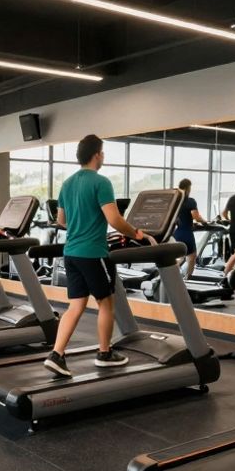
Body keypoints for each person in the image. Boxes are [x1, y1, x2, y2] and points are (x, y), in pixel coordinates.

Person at [43, 134, 148, 377]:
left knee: (76, 305)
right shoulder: (101, 182)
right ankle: (104, 353)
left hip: (71, 253)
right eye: (103, 152)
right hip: (93, 253)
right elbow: (114, 219)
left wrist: (81, 225)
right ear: (97, 154)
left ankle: (56, 354)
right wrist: (136, 233)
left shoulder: (67, 184)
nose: (104, 156)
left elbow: (61, 221)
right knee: (106, 303)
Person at [172, 178, 207, 278]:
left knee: (181, 256)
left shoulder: (175, 201)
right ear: (188, 188)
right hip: (187, 232)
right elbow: (196, 217)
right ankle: (188, 278)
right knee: (192, 257)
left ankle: (175, 271)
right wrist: (204, 221)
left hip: (176, 232)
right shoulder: (190, 201)